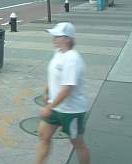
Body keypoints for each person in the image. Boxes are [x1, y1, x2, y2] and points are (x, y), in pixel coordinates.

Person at [34, 22, 91, 164]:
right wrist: (47, 90)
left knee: (77, 143)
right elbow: (54, 75)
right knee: (43, 136)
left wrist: (48, 107)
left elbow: (67, 88)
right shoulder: (58, 53)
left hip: (71, 111)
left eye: (57, 36)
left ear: (68, 39)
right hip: (55, 107)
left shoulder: (72, 59)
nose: (53, 39)